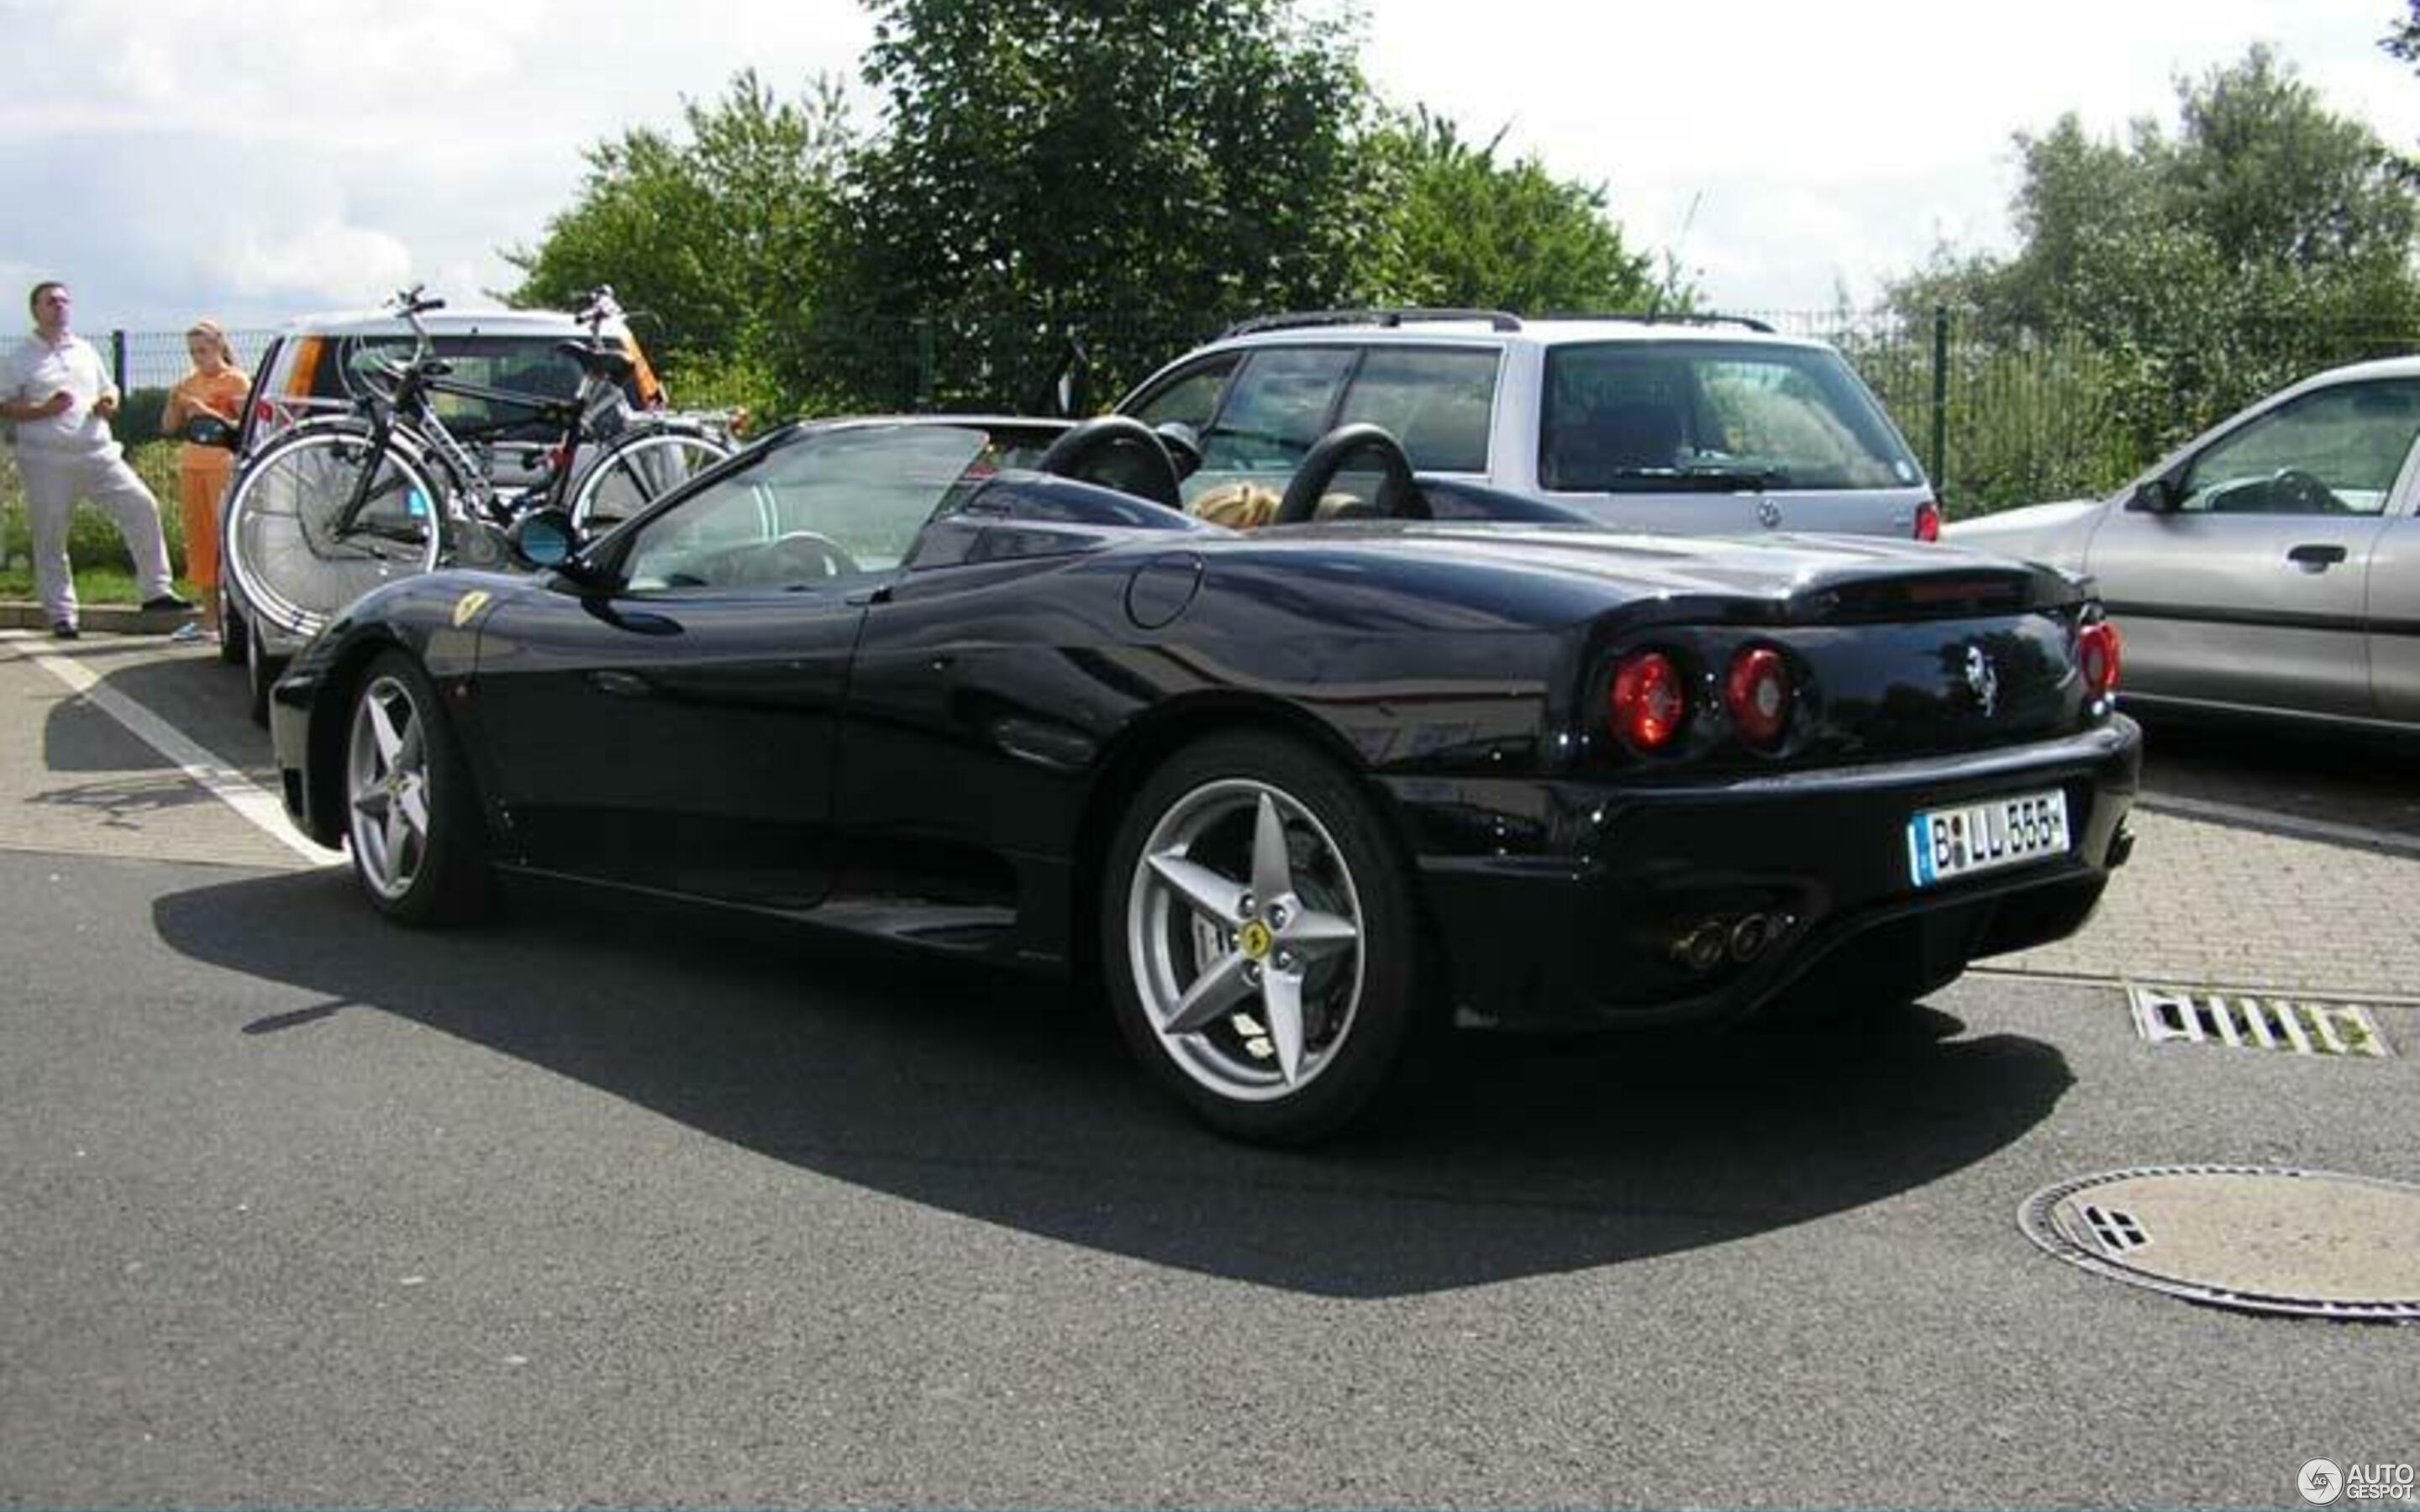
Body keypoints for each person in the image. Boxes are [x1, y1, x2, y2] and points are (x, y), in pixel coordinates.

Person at [0, 281, 192, 638]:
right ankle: (62, 614)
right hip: (46, 460)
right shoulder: (20, 358)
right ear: (36, 310)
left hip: (98, 453)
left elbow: (109, 388)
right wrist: (44, 409)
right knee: (51, 535)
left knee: (142, 505)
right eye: (51, 302)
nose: (59, 307)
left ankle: (157, 591)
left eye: (63, 301)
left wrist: (110, 403)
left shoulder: (84, 351)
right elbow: (3, 405)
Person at [159, 318, 248, 643]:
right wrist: (174, 402)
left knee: (224, 539)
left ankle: (231, 616)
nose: (198, 358)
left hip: (221, 464)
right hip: (192, 464)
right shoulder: (189, 382)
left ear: (219, 347)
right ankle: (208, 618)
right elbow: (169, 427)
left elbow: (243, 426)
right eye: (193, 352)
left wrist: (205, 410)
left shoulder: (236, 381)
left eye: (204, 350)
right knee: (200, 543)